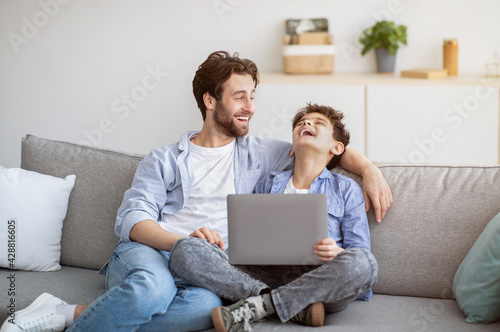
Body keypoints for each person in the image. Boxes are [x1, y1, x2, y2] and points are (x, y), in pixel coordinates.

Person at [0, 51, 391, 332]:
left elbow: (318, 148)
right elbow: (132, 221)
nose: (250, 107)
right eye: (240, 96)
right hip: (155, 251)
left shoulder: (261, 153)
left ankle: (74, 314)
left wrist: (368, 169)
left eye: (253, 96)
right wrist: (182, 240)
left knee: (204, 310)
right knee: (151, 290)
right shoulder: (165, 159)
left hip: (212, 271)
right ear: (210, 100)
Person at [168, 103, 377, 332]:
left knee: (364, 264)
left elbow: (361, 250)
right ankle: (287, 305)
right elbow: (249, 238)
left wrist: (338, 254)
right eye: (301, 123)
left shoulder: (346, 189)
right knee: (184, 249)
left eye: (318, 123)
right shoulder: (269, 181)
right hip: (264, 276)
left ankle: (261, 305)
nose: (306, 123)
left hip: (320, 280)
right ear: (292, 149)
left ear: (336, 148)